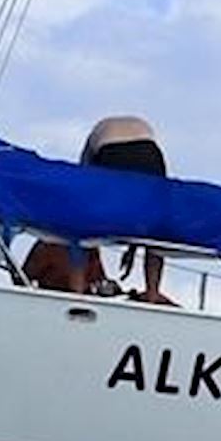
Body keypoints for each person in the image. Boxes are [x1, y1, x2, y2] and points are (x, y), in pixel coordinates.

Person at [74, 115, 171, 304]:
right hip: (150, 152)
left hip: (111, 149)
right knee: (155, 224)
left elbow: (83, 181)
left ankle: (76, 291)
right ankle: (152, 292)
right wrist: (134, 244)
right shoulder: (132, 126)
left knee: (81, 224)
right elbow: (138, 208)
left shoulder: (97, 135)